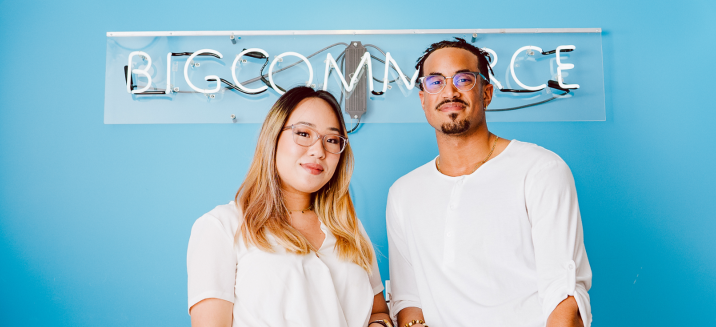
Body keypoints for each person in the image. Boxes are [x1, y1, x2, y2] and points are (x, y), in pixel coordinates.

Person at [386, 38, 592, 327]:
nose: (450, 91)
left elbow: (564, 297)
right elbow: (409, 299)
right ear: (423, 100)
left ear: (487, 93)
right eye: (435, 82)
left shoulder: (541, 170)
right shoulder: (403, 193)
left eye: (464, 79)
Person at [187, 86, 392, 327]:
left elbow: (378, 313)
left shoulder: (349, 228)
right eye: (303, 133)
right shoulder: (221, 226)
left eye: (332, 140)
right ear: (272, 138)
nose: (318, 151)